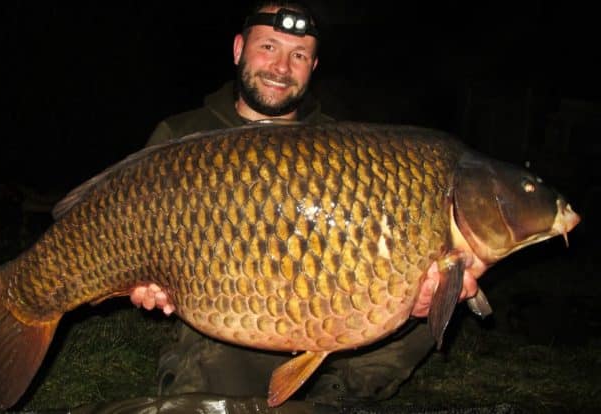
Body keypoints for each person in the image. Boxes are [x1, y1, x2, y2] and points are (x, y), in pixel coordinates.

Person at [122, 1, 480, 412]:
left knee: (434, 280)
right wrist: (143, 279)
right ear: (239, 49)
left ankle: (337, 395)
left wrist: (417, 301)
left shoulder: (342, 144)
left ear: (313, 67)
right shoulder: (181, 134)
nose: (281, 68)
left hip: (332, 309)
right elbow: (131, 241)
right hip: (227, 315)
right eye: (269, 48)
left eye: (298, 56)